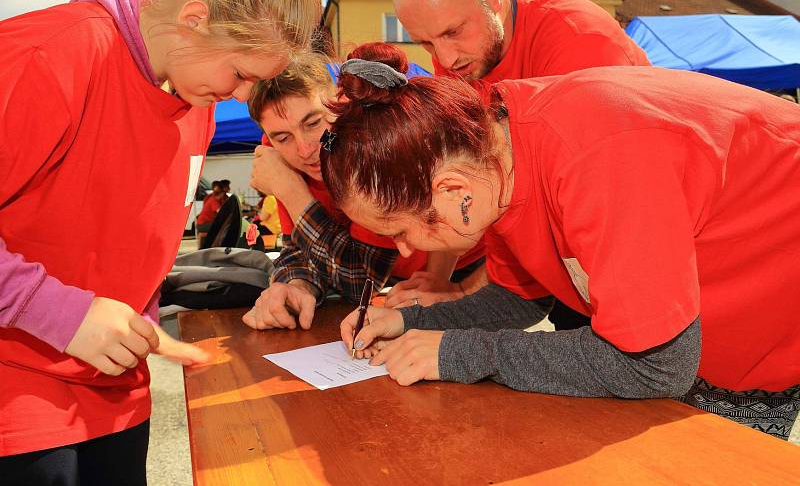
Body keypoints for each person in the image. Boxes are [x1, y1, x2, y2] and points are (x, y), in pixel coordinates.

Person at [319, 43, 800, 440]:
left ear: (452, 191)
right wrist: (409, 322)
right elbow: (518, 298)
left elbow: (656, 366)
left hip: (762, 331)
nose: (404, 251)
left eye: (401, 231)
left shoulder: (599, 158)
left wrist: (460, 353)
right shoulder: (493, 150)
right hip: (702, 346)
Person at [0, 0, 317, 484]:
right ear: (194, 18)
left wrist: (140, 316)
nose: (235, 96)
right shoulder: (51, 55)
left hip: (116, 394)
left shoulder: (193, 99)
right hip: (17, 394)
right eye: (241, 73)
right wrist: (57, 312)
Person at [387, 0, 653, 327]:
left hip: (634, 261)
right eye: (426, 43)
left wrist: (467, 291)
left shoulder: (579, 43)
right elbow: (465, 180)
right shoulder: (462, 61)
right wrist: (440, 278)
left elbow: (548, 210)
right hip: (572, 276)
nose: (444, 59)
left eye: (453, 31)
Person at [243, 48, 485, 331]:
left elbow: (359, 281)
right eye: (282, 137)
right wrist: (295, 284)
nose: (305, 149)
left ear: (337, 101)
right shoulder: (278, 151)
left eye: (312, 123)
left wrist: (291, 191)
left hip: (466, 268)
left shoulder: (365, 137)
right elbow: (298, 246)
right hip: (401, 283)